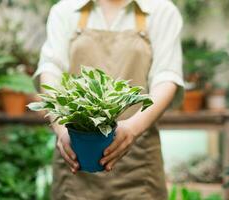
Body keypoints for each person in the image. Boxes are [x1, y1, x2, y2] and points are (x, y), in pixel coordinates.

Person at [34, 0, 184, 199]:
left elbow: (166, 77)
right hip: (75, 163)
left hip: (138, 168)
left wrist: (132, 129)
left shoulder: (161, 10)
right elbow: (51, 69)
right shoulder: (66, 9)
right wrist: (61, 129)